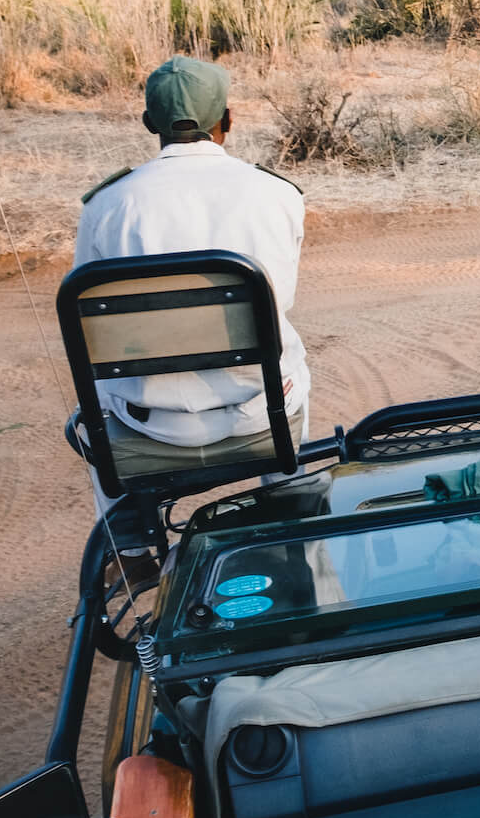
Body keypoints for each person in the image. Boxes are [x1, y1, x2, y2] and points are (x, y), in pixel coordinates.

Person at [73, 55, 310, 517]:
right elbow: (282, 295)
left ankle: (132, 547)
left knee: (96, 385)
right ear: (227, 120)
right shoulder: (278, 194)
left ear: (148, 123)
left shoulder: (106, 204)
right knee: (291, 353)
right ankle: (288, 503)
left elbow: (88, 318)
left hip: (150, 424)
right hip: (260, 414)